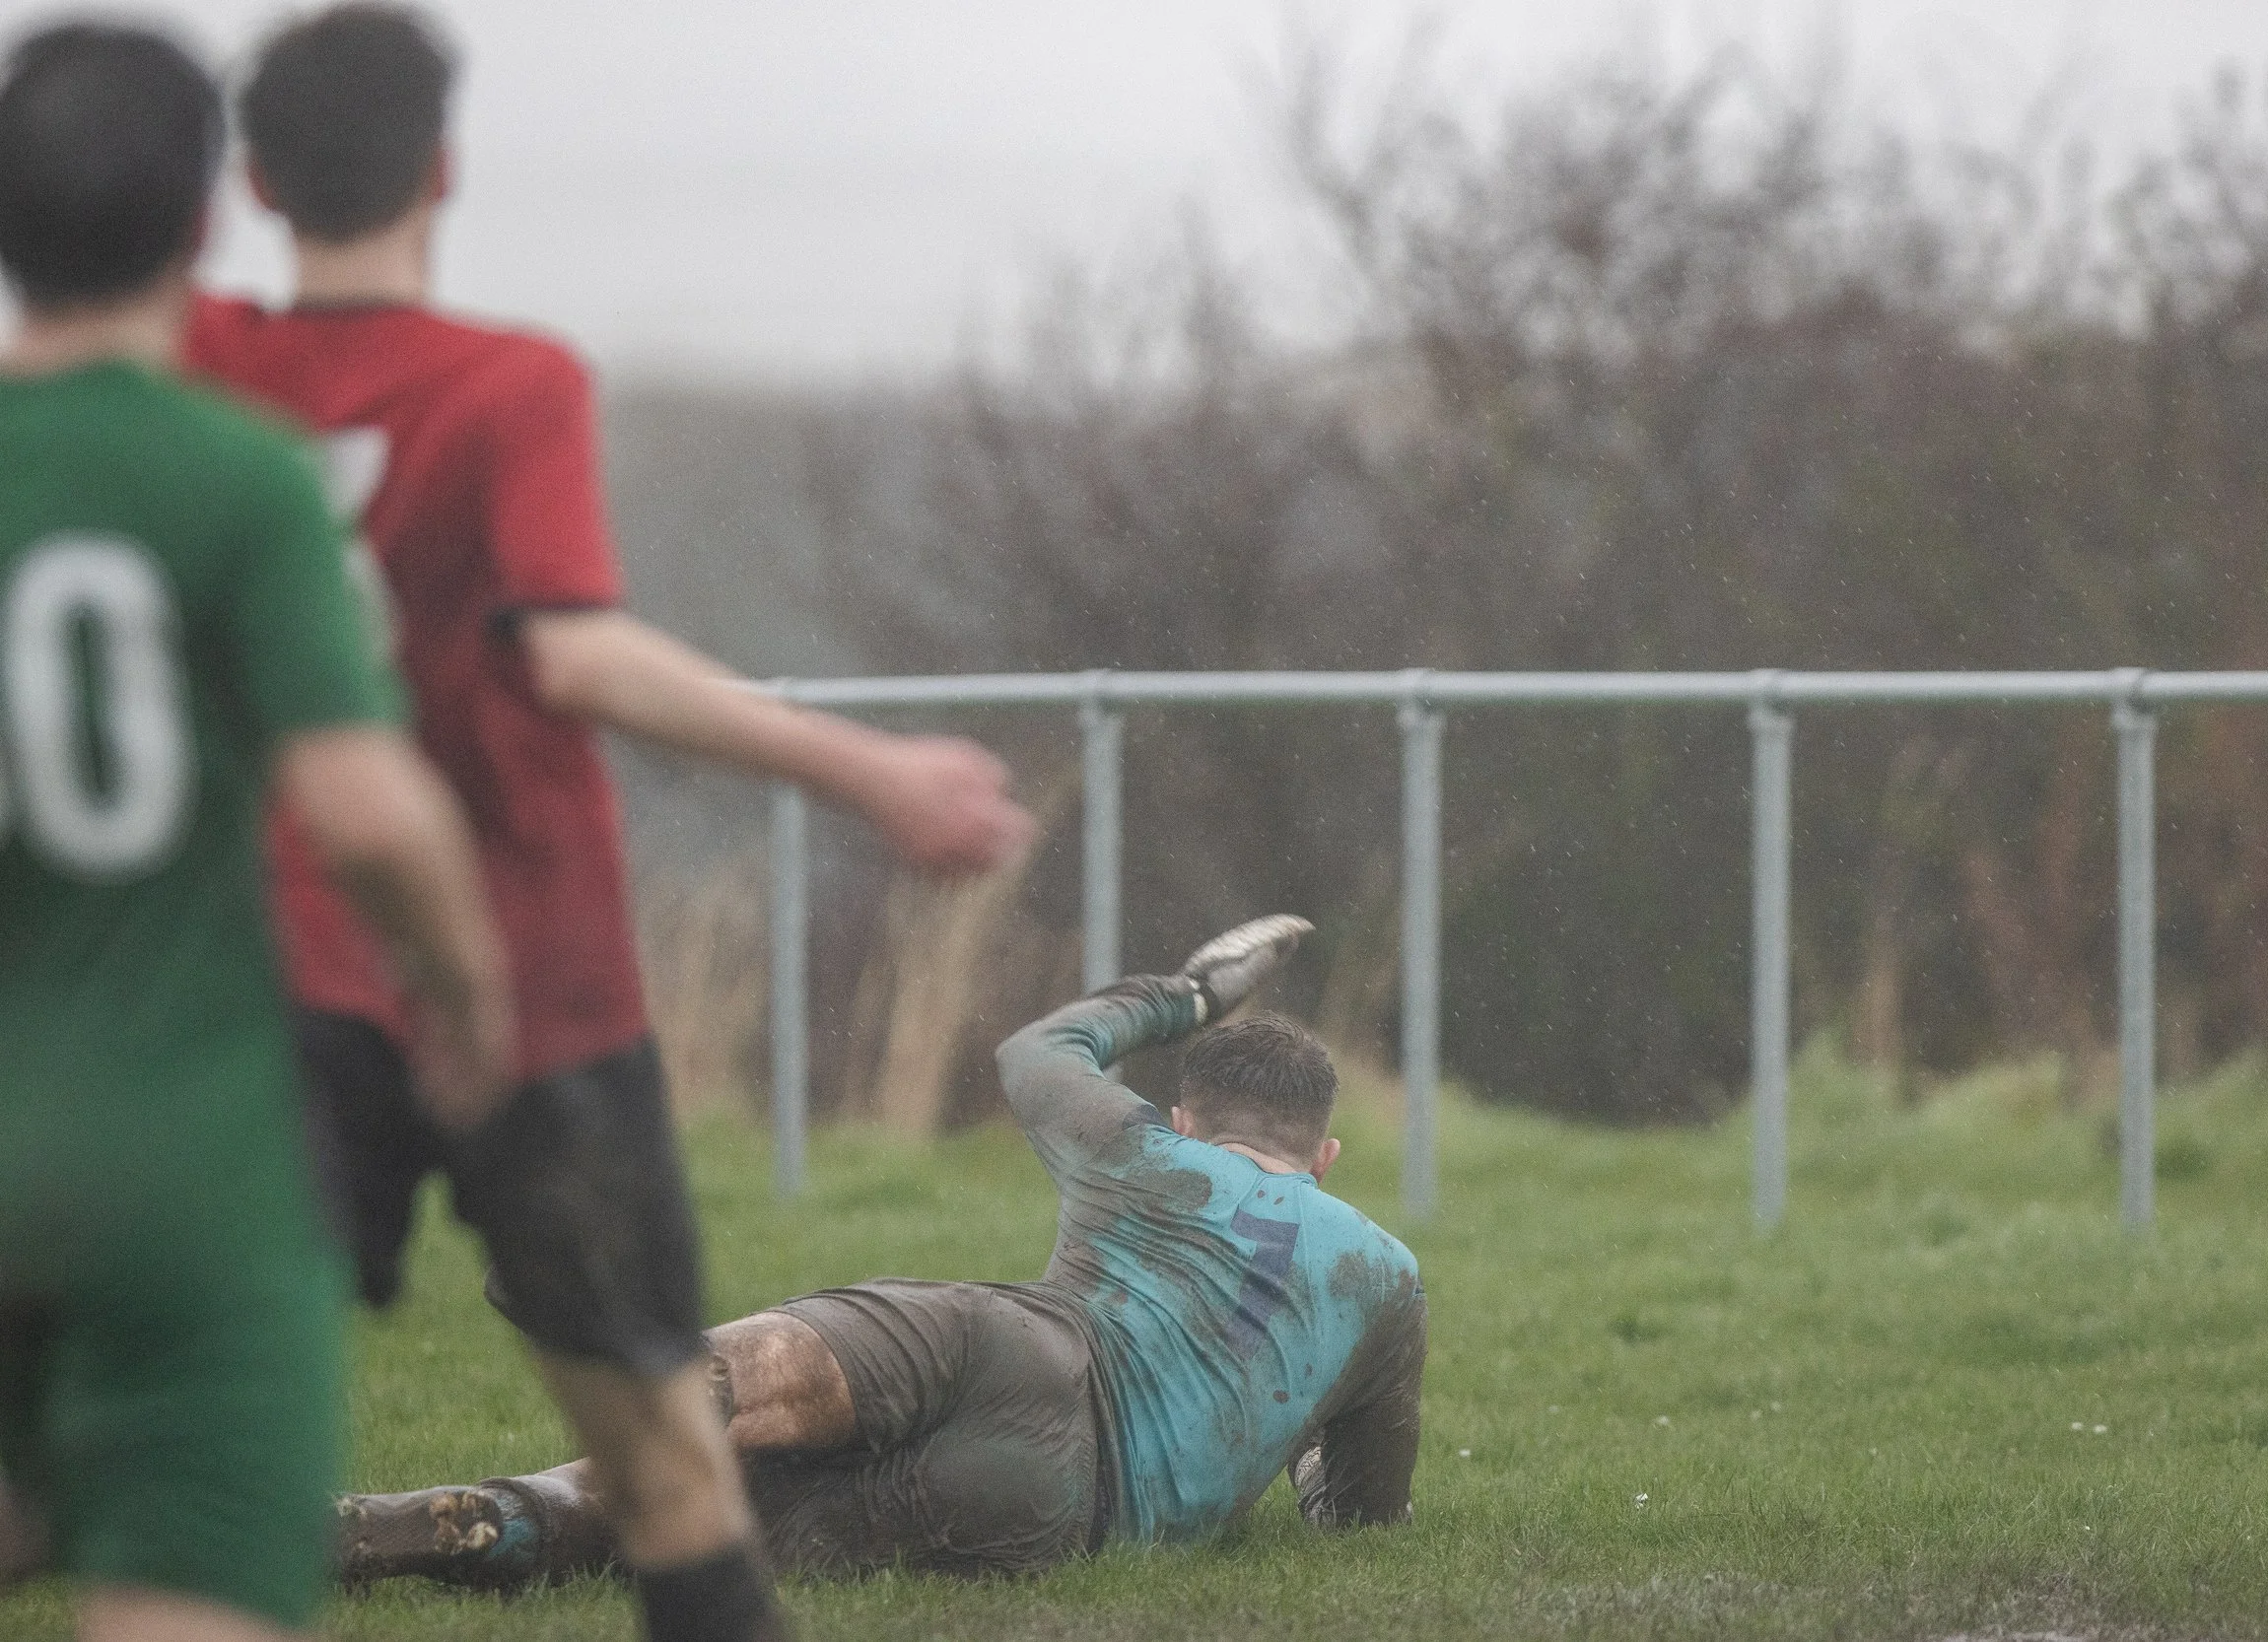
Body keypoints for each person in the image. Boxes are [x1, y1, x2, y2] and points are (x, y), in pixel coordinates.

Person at [183, 8, 1035, 1640]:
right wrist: (868, 771)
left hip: (293, 979)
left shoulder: (204, 370)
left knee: (199, 1449)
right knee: (662, 1468)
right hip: (536, 990)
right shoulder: (510, 387)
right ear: (444, 166)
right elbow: (570, 646)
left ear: (260, 184)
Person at [0, 20, 515, 1642]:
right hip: (180, 1166)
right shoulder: (238, 481)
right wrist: (464, 987)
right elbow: (366, 806)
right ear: (210, 219)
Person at [335, 916, 1425, 1591]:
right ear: (1323, 1153)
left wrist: (1186, 994)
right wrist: (1303, 1433)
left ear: (1187, 1121)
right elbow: (1365, 1513)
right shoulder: (1384, 1278)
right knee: (704, 1519)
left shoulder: (1140, 1148)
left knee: (767, 1377)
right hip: (1058, 1518)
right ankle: (501, 1529)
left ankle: (598, 1365)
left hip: (1027, 1349)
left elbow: (1036, 1047)